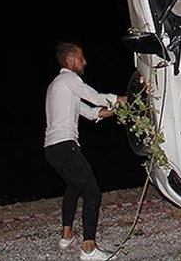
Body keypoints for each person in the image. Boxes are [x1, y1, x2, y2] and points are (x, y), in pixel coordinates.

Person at [44, 42, 127, 261]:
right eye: (81, 58)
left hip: (52, 149)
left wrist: (121, 107)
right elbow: (96, 97)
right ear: (70, 60)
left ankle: (66, 236)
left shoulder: (58, 86)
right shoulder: (69, 79)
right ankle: (89, 248)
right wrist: (126, 98)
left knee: (74, 186)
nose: (85, 62)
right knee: (92, 193)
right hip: (64, 145)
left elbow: (91, 112)